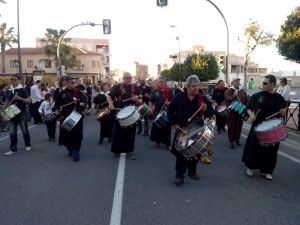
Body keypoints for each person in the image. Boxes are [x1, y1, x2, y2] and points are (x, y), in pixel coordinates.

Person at [242, 75, 286, 180]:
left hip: (272, 127)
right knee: (255, 147)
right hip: (258, 125)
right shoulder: (257, 96)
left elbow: (282, 113)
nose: (263, 85)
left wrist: (283, 112)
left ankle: (267, 171)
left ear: (273, 84)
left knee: (271, 149)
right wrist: (252, 115)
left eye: (265, 83)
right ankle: (251, 167)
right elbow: (248, 108)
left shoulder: (279, 98)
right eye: (263, 83)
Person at [167, 75, 207, 186]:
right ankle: (179, 175)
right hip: (182, 130)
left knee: (195, 153)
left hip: (197, 130)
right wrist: (174, 122)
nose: (197, 88)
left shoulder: (201, 98)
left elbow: (211, 112)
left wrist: (206, 109)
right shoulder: (179, 97)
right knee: (181, 152)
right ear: (188, 87)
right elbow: (170, 110)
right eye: (194, 86)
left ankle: (192, 171)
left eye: (198, 85)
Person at [107, 72, 142, 160]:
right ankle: (117, 150)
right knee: (118, 133)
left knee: (130, 134)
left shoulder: (136, 88)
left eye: (130, 78)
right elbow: (109, 96)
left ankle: (129, 152)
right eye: (127, 78)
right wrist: (110, 103)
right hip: (119, 113)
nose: (129, 79)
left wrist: (137, 100)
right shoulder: (117, 87)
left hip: (131, 114)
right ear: (123, 78)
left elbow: (141, 101)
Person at [54, 75, 87, 162]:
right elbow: (56, 106)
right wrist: (58, 115)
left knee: (78, 135)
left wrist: (78, 102)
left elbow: (85, 104)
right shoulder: (61, 94)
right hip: (66, 118)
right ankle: (70, 148)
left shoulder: (78, 92)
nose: (73, 84)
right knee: (67, 136)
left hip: (76, 116)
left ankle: (76, 152)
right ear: (66, 83)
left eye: (74, 82)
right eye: (71, 82)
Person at [4, 74, 32, 156]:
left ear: (19, 80)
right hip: (11, 112)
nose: (13, 81)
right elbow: (7, 101)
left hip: (21, 112)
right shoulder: (9, 90)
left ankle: (27, 144)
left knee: (24, 130)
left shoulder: (23, 90)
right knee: (12, 132)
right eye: (11, 79)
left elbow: (29, 101)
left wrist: (20, 98)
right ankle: (13, 149)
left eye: (15, 79)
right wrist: (4, 111)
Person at [149, 77, 173, 149]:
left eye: (162, 81)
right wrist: (150, 109)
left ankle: (167, 144)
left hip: (166, 112)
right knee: (157, 127)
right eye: (159, 81)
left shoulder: (170, 91)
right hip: (157, 111)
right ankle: (158, 141)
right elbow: (151, 100)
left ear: (165, 83)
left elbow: (173, 101)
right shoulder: (155, 90)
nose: (160, 83)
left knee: (167, 129)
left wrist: (168, 103)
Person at [225, 77, 248, 149]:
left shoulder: (242, 91)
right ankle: (231, 141)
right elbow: (227, 98)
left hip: (240, 112)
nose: (238, 82)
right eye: (236, 81)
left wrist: (246, 110)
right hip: (231, 112)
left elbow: (246, 101)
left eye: (238, 81)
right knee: (231, 127)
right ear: (233, 82)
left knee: (239, 126)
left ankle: (237, 139)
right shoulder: (229, 90)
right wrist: (233, 96)